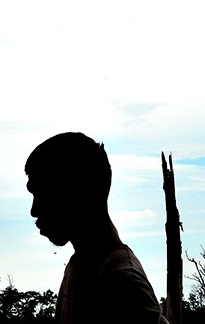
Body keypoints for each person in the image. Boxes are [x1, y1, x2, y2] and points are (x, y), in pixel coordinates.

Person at [24, 132, 168, 324]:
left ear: (78, 192)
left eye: (43, 194)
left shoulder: (122, 284)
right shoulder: (81, 265)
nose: (34, 210)